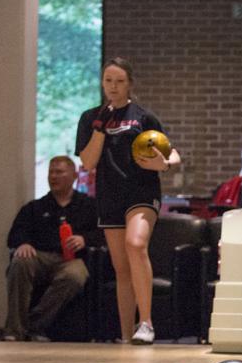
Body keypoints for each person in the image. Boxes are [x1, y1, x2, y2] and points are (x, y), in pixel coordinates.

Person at [76, 58, 181, 345]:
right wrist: (99, 128)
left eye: (119, 81)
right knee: (122, 269)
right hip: (110, 196)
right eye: (108, 80)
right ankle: (126, 336)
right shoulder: (89, 118)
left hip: (142, 193)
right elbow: (87, 163)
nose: (113, 86)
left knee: (136, 244)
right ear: (102, 83)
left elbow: (173, 155)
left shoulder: (143, 117)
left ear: (129, 83)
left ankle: (146, 322)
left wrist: (164, 165)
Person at [4, 155, 98, 341]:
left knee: (75, 275)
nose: (53, 177)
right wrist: (23, 243)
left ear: (74, 176)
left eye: (59, 172)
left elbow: (104, 235)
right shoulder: (34, 207)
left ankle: (34, 325)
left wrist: (84, 239)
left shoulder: (89, 206)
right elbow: (15, 234)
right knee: (19, 262)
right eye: (51, 172)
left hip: (72, 260)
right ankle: (14, 331)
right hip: (39, 257)